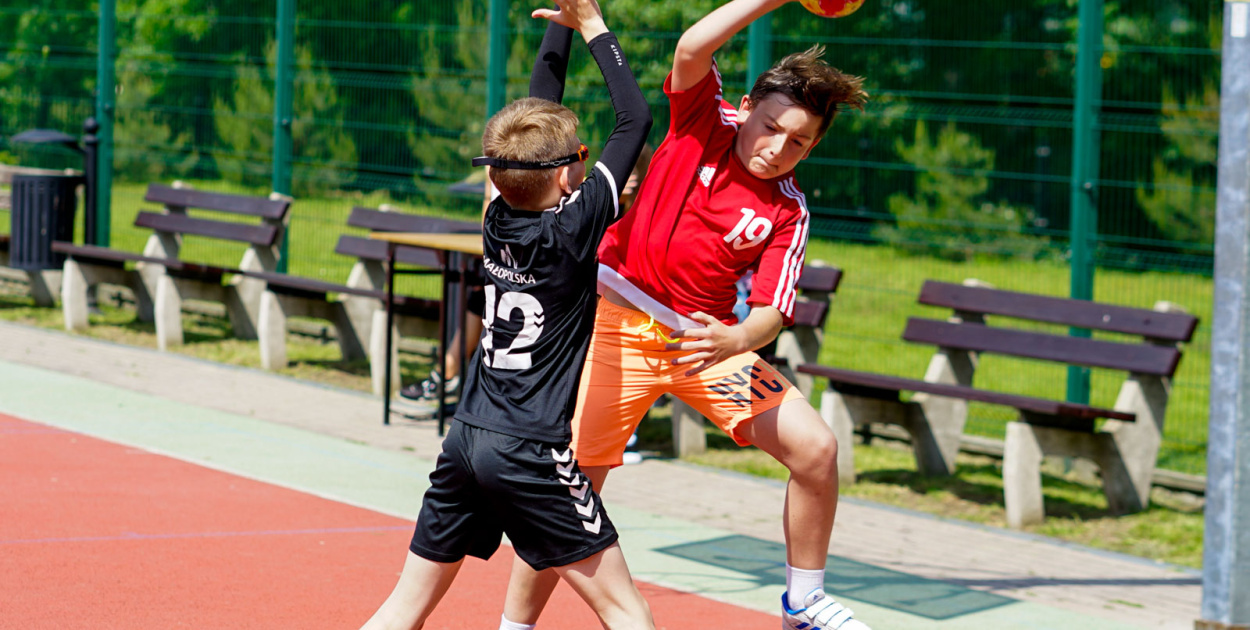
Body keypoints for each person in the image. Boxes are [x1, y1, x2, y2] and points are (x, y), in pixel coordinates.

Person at [501, 1, 872, 629]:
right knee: (572, 493)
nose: (778, 149)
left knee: (816, 449)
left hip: (705, 345)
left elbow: (772, 311)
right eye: (772, 127)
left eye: (799, 142)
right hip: (613, 327)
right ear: (746, 109)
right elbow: (693, 46)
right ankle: (515, 626)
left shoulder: (787, 208)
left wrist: (737, 338)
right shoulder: (704, 120)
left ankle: (804, 600)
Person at [359, 1, 655, 628]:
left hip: (465, 436)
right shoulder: (574, 227)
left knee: (404, 605)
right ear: (567, 172)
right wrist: (594, 27)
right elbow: (634, 119)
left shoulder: (495, 213)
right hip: (531, 451)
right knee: (626, 609)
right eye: (577, 152)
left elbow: (534, 108)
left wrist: (561, 23)